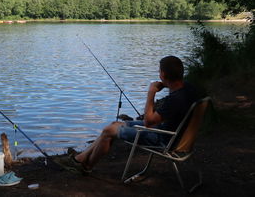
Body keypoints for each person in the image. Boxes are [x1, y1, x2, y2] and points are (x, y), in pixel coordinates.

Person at [70, 56, 198, 173]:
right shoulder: (188, 88)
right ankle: (81, 158)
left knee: (108, 131)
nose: (159, 74)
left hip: (163, 140)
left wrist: (151, 93)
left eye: (159, 72)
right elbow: (171, 108)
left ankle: (86, 166)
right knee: (115, 124)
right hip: (173, 134)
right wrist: (167, 84)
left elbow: (148, 122)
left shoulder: (175, 100)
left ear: (163, 74)